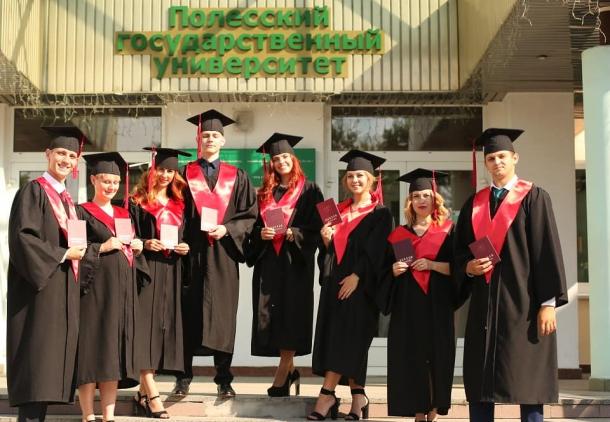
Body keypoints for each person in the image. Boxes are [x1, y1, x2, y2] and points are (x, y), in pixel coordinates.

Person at [453, 128, 568, 422]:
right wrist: (467, 267)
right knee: (480, 383)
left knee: (527, 384)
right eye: (491, 158)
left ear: (515, 158)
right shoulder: (474, 204)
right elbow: (459, 250)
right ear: (486, 163)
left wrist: (548, 304)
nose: (497, 162)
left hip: (524, 307)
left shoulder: (534, 197)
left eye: (502, 156)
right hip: (484, 307)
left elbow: (546, 251)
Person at [175, 109, 258, 398]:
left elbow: (250, 215)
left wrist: (228, 229)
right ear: (199, 140)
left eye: (214, 135)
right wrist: (177, 241)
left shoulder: (238, 176)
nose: (210, 139)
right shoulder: (184, 174)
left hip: (223, 254)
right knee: (187, 315)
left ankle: (224, 379)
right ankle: (183, 377)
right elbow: (174, 212)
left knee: (223, 317)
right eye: (205, 135)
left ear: (223, 140)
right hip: (192, 254)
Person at [7, 126, 86, 422]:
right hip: (38, 293)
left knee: (47, 365)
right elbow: (23, 238)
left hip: (59, 290)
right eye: (61, 153)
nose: (66, 160)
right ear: (48, 154)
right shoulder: (34, 191)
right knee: (36, 361)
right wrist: (63, 254)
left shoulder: (67, 200)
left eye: (71, 156)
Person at [309, 150, 393, 421]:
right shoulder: (337, 211)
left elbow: (377, 251)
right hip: (335, 283)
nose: (355, 180)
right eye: (350, 176)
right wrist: (325, 241)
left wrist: (358, 276)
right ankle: (358, 398)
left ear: (371, 179)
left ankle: (327, 395)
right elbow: (330, 253)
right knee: (339, 338)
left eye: (360, 176)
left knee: (350, 338)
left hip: (361, 287)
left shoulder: (381, 213)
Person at [245, 133, 324, 397]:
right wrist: (261, 234)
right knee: (271, 316)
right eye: (276, 158)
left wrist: (295, 233)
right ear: (271, 163)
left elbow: (321, 227)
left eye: (285, 157)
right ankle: (290, 370)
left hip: (295, 263)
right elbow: (251, 229)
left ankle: (282, 372)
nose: (281, 162)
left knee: (292, 314)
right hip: (269, 263)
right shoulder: (263, 193)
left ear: (293, 158)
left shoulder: (311, 190)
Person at [378, 169, 457, 422]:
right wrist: (393, 270)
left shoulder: (448, 231)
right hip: (407, 305)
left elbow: (459, 268)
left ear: (435, 199)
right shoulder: (399, 235)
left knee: (437, 354)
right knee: (409, 356)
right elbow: (383, 273)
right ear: (409, 201)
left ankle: (434, 406)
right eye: (416, 196)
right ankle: (417, 410)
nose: (421, 200)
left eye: (426, 195)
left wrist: (432, 265)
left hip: (437, 303)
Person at [77, 152, 148, 422]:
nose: (111, 186)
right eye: (106, 181)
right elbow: (75, 249)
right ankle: (88, 414)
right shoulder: (80, 211)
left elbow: (129, 248)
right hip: (94, 293)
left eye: (115, 182)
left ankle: (109, 416)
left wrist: (137, 246)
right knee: (90, 351)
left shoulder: (124, 214)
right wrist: (101, 247)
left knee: (112, 354)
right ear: (93, 180)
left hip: (121, 294)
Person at [130, 147, 192, 418]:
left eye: (170, 171)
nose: (166, 175)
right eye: (161, 170)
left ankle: (143, 394)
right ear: (152, 171)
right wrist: (145, 243)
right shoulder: (136, 202)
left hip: (171, 271)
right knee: (144, 332)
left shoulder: (181, 203)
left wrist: (185, 247)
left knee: (160, 332)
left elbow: (187, 236)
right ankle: (153, 395)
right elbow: (127, 235)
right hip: (146, 271)